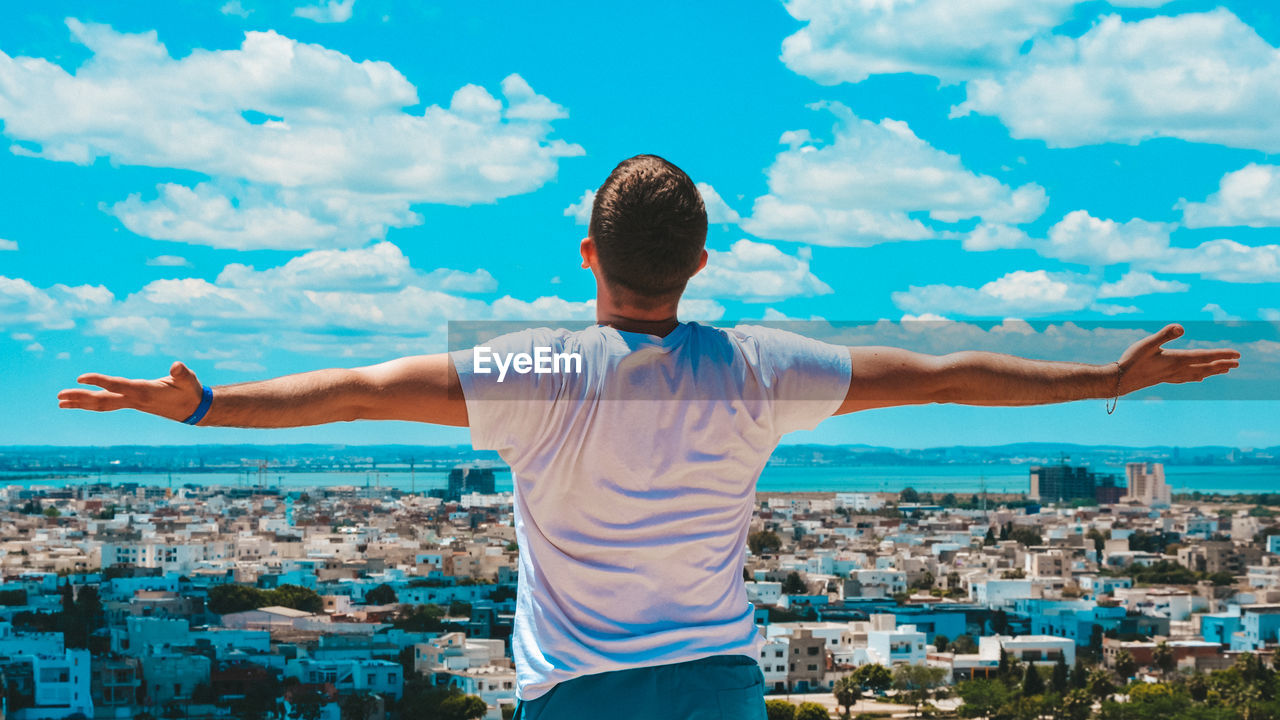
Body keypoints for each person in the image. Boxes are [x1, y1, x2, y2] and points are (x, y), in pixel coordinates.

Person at [59, 154, 1238, 719]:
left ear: (586, 259)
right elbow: (943, 374)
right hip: (720, 689)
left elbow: (355, 390)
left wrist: (205, 407)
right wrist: (1102, 376)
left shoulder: (529, 370)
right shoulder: (761, 366)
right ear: (700, 266)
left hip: (576, 696)